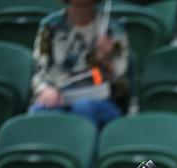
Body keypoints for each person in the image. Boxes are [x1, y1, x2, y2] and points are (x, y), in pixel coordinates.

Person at [30, 0, 129, 128]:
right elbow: (39, 71)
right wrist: (46, 89)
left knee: (83, 107)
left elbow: (122, 86)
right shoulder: (50, 25)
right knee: (41, 110)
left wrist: (107, 59)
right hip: (60, 95)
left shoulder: (113, 28)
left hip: (101, 99)